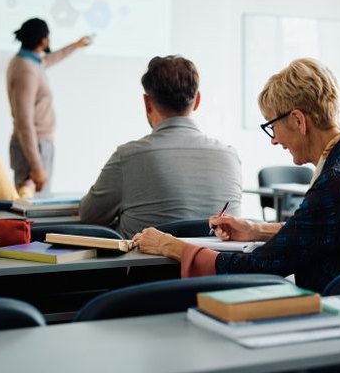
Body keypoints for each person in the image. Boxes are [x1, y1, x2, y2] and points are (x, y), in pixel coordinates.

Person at [133, 58, 340, 292]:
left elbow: (256, 267)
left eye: (272, 126)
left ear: (298, 120)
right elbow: (316, 233)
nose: (274, 140)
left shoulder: (339, 182)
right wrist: (255, 230)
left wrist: (172, 246)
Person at [79, 55, 243, 239]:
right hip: (220, 267)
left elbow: (89, 216)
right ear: (197, 100)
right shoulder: (230, 156)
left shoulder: (127, 157)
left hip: (145, 267)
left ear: (147, 103)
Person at [6, 18, 92, 197]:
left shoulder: (29, 61)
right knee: (34, 208)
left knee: (37, 205)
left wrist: (75, 46)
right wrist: (37, 166)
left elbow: (49, 59)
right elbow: (24, 122)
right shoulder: (26, 70)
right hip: (33, 146)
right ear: (43, 40)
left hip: (36, 145)